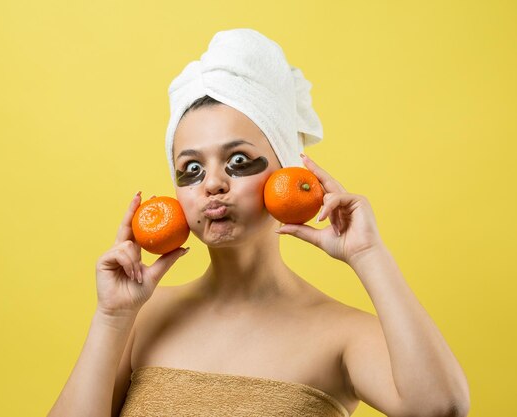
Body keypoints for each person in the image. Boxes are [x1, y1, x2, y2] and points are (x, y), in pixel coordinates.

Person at [47, 29, 470, 417]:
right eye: (190, 168)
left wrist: (368, 255)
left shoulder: (342, 334)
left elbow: (439, 408)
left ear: (287, 172)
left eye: (237, 161)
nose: (213, 183)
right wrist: (111, 317)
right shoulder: (144, 316)